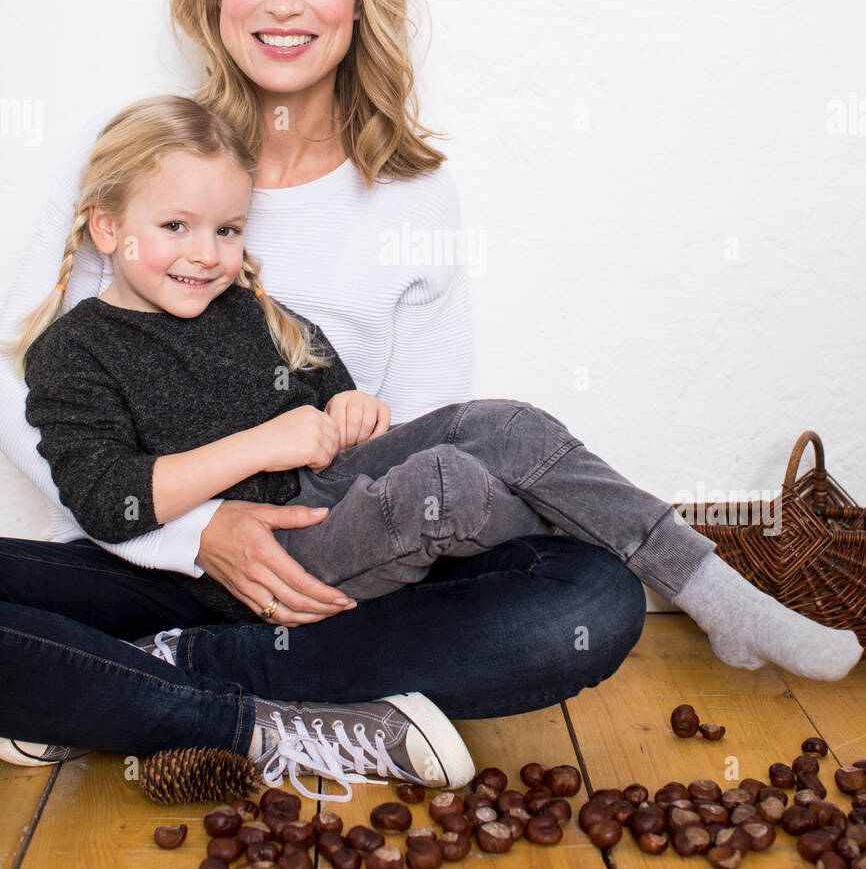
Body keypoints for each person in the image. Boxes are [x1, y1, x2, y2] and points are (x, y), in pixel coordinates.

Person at [0, 0, 651, 788]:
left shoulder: (414, 195)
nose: (282, 3)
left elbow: (434, 439)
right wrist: (200, 535)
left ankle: (132, 686)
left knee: (591, 597)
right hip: (138, 556)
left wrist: (332, 541)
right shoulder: (136, 153)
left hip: (340, 572)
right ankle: (278, 716)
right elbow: (20, 379)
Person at [9, 96, 863, 697]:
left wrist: (352, 413)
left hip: (325, 502)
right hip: (259, 568)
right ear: (107, 228)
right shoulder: (75, 351)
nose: (207, 253)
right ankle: (224, 669)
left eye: (228, 230)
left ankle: (716, 594)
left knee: (504, 424)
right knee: (447, 485)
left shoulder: (245, 310)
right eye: (176, 228)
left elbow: (340, 413)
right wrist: (263, 447)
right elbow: (108, 500)